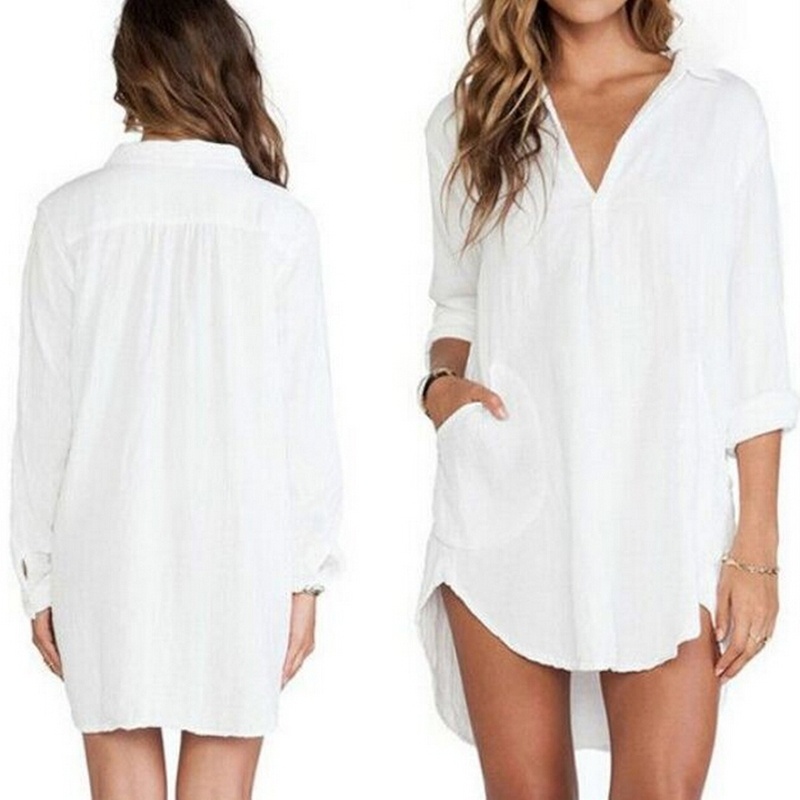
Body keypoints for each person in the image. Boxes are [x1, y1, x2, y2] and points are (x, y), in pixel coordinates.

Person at [416, 1, 798, 797]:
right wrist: (442, 391)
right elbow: (457, 306)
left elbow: (755, 346)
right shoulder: (471, 119)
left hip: (668, 516)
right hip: (508, 507)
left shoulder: (719, 113)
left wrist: (756, 545)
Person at [9, 1, 341, 798]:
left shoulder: (68, 218)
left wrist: (39, 578)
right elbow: (304, 419)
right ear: (229, 68)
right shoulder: (279, 224)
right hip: (241, 546)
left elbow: (42, 421)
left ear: (128, 75)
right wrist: (305, 575)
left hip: (104, 545)